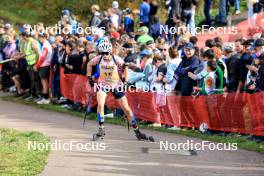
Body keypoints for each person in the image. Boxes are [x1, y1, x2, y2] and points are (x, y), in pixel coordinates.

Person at [87, 38, 152, 141]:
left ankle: (137, 131)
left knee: (126, 109)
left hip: (116, 85)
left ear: (110, 51)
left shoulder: (116, 59)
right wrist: (89, 77)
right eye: (103, 53)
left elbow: (125, 68)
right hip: (103, 85)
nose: (105, 55)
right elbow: (89, 64)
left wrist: (126, 82)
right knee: (100, 104)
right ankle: (101, 129)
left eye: (107, 53)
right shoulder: (98, 59)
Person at [35, 33, 53, 104]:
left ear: (44, 37)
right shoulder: (45, 45)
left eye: (40, 37)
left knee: (44, 81)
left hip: (44, 66)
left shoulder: (46, 45)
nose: (39, 39)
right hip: (44, 65)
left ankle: (46, 98)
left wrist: (37, 65)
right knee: (44, 81)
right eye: (39, 37)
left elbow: (43, 57)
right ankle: (45, 97)